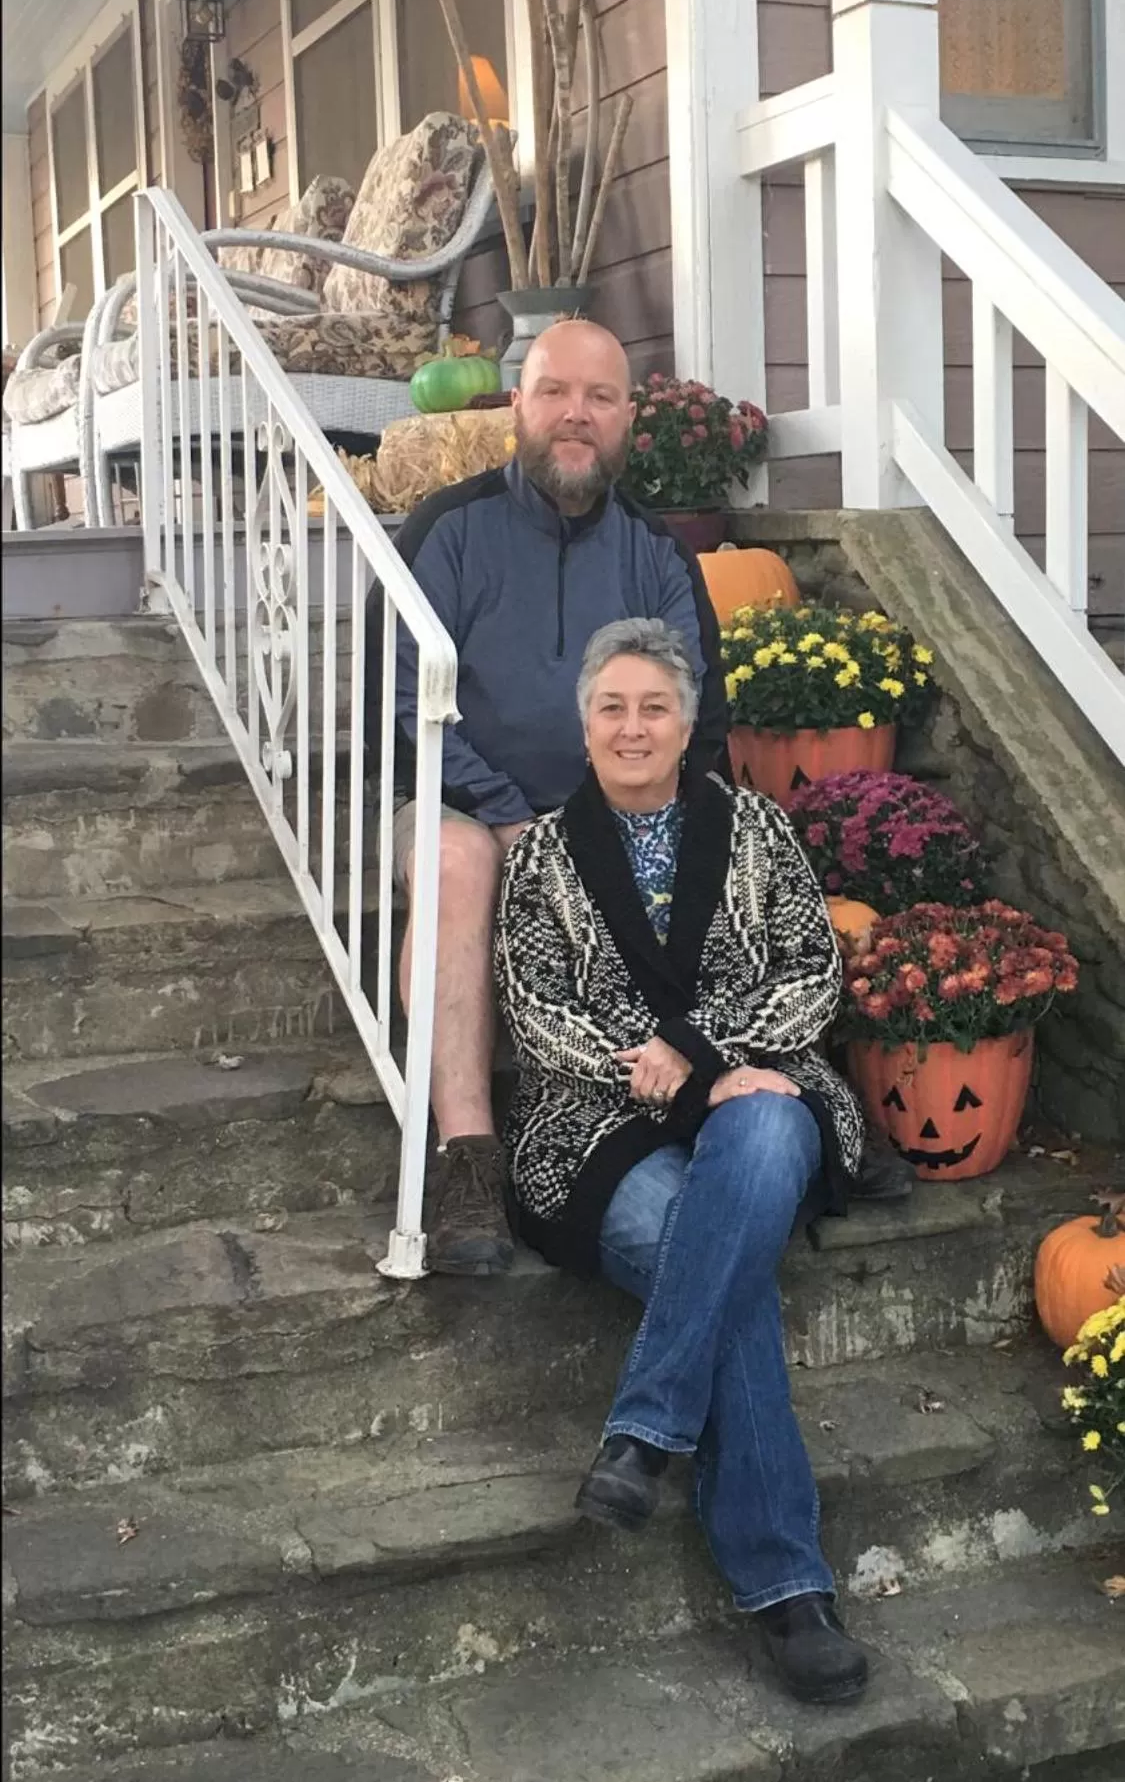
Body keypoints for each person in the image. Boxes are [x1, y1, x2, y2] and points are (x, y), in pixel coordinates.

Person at [493, 618, 870, 1705]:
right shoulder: (542, 856)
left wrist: (702, 1053)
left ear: (687, 723)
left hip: (760, 1097)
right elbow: (536, 1011)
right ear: (584, 725)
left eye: (654, 706)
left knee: (761, 1134)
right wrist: (676, 1074)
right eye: (611, 707)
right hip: (595, 1124)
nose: (632, 726)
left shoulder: (755, 826)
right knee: (715, 1262)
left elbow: (812, 972)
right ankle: (789, 1592)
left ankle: (643, 1435)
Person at [376, 321, 728, 1275]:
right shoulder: (448, 531)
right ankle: (469, 1159)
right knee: (457, 862)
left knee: (714, 842)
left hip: (607, 809)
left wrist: (596, 827)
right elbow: (401, 701)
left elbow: (691, 709)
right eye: (554, 392)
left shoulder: (655, 551)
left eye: (600, 397)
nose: (576, 413)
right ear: (517, 407)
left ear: (627, 419)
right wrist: (505, 813)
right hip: (458, 801)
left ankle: (757, 1097)